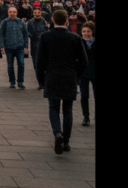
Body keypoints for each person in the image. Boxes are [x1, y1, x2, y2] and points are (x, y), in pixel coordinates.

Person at [36, 9, 87, 154]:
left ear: (52, 20)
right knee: (68, 109)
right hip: (69, 76)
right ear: (66, 21)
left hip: (52, 75)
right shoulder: (75, 38)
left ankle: (57, 132)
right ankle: (66, 142)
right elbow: (84, 61)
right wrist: (76, 76)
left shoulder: (46, 36)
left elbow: (39, 60)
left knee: (53, 107)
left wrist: (41, 79)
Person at [0, 6, 30, 89]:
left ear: (17, 13)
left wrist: (26, 46)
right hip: (9, 47)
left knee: (21, 64)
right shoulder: (4, 22)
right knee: (10, 65)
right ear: (8, 13)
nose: (12, 14)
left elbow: (26, 35)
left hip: (20, 47)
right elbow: (1, 34)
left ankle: (20, 82)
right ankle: (12, 81)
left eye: (14, 12)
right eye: (10, 12)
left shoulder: (21, 22)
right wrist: (1, 46)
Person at [26, 8, 49, 89]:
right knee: (36, 65)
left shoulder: (44, 22)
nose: (37, 14)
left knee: (45, 64)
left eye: (38, 12)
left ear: (41, 13)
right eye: (35, 12)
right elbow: (26, 32)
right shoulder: (29, 22)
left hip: (44, 46)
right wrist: (31, 35)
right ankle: (40, 82)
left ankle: (45, 81)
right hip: (34, 46)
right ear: (33, 13)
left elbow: (47, 31)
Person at [79, 21, 95, 127]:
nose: (86, 33)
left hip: (94, 71)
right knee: (84, 96)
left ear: (92, 32)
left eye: (88, 31)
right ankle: (86, 116)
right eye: (84, 31)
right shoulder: (79, 42)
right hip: (83, 72)